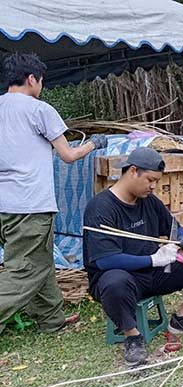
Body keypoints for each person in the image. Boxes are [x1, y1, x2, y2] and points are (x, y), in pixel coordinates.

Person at [82, 147, 183, 366]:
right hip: (122, 280)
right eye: (150, 180)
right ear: (133, 171)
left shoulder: (149, 201)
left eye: (156, 181)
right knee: (114, 280)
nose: (153, 186)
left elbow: (174, 228)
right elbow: (105, 260)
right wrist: (154, 259)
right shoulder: (100, 208)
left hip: (154, 275)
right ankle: (133, 337)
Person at [0, 53, 107, 335]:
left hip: (5, 205)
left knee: (40, 262)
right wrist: (94, 144)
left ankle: (51, 320)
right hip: (30, 204)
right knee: (24, 270)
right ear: (32, 79)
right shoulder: (39, 110)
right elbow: (69, 155)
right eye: (41, 81)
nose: (41, 86)